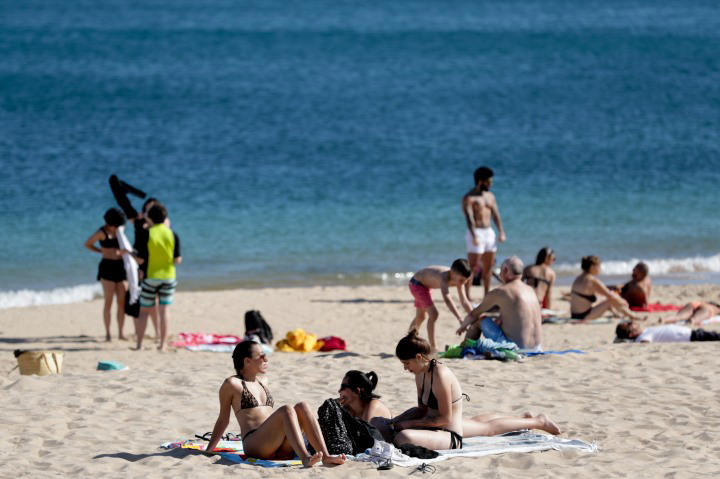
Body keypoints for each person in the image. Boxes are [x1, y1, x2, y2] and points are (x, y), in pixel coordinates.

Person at [373, 331, 560, 451]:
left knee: (487, 429)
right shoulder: (420, 373)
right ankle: (525, 420)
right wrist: (397, 420)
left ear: (419, 357)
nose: (405, 368)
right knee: (480, 423)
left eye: (406, 363)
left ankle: (539, 421)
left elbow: (445, 419)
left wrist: (407, 425)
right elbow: (422, 409)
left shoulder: (440, 374)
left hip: (449, 433)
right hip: (435, 425)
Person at [205, 341, 346, 467]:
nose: (266, 359)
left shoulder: (263, 381)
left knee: (302, 406)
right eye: (261, 356)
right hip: (255, 444)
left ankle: (326, 456)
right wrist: (209, 449)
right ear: (247, 361)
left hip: (278, 444)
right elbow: (223, 419)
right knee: (286, 409)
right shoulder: (232, 384)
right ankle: (305, 457)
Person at [109, 174, 160, 336]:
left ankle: (158, 332)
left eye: (153, 209)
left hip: (152, 264)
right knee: (136, 297)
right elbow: (123, 204)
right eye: (148, 208)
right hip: (137, 262)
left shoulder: (159, 225)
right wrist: (123, 187)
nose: (149, 211)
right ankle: (139, 332)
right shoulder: (138, 221)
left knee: (155, 300)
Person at [457, 256, 542, 351]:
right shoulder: (530, 290)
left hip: (515, 348)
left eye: (501, 270)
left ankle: (463, 349)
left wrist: (462, 327)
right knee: (498, 320)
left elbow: (474, 314)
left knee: (480, 320)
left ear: (505, 270)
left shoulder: (501, 291)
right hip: (537, 348)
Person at [133, 203, 182, 351]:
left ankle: (140, 345)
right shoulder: (172, 233)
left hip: (151, 276)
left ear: (149, 218)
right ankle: (162, 345)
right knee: (164, 311)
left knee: (144, 311)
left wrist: (130, 255)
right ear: (165, 218)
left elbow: (140, 260)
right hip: (168, 276)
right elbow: (177, 259)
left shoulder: (146, 233)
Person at [84, 208, 133, 341]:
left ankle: (121, 333)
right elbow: (87, 244)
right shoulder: (101, 232)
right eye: (115, 225)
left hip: (121, 267)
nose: (117, 227)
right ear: (110, 223)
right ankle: (108, 333)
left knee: (122, 302)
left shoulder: (120, 231)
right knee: (108, 301)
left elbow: (125, 247)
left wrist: (124, 252)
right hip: (107, 267)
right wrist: (101, 251)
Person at [408, 259, 473, 352]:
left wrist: (473, 315)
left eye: (466, 280)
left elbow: (464, 301)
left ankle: (408, 340)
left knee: (420, 317)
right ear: (453, 273)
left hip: (426, 286)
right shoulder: (444, 277)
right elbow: (447, 299)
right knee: (434, 314)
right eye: (462, 280)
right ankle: (433, 347)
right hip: (417, 284)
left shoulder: (459, 280)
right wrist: (459, 318)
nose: (463, 283)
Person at [461, 166, 506, 301]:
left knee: (488, 266)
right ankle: (467, 296)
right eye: (489, 182)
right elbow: (469, 218)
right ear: (481, 181)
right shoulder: (469, 198)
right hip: (476, 232)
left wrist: (501, 231)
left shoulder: (490, 196)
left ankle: (487, 294)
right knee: (472, 267)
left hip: (489, 232)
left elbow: (496, 215)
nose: (491, 184)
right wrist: (474, 235)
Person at [570, 256, 643, 322]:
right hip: (584, 316)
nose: (600, 269)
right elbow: (610, 295)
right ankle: (633, 316)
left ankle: (617, 314)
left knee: (609, 300)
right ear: (592, 267)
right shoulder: (592, 280)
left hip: (574, 314)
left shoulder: (579, 277)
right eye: (599, 266)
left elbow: (602, 291)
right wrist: (622, 301)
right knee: (610, 300)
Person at [615, 321, 720, 343]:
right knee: (714, 335)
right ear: (632, 334)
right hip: (690, 336)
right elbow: (644, 343)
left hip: (690, 332)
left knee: (713, 334)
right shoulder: (642, 337)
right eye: (629, 324)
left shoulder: (645, 331)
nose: (632, 322)